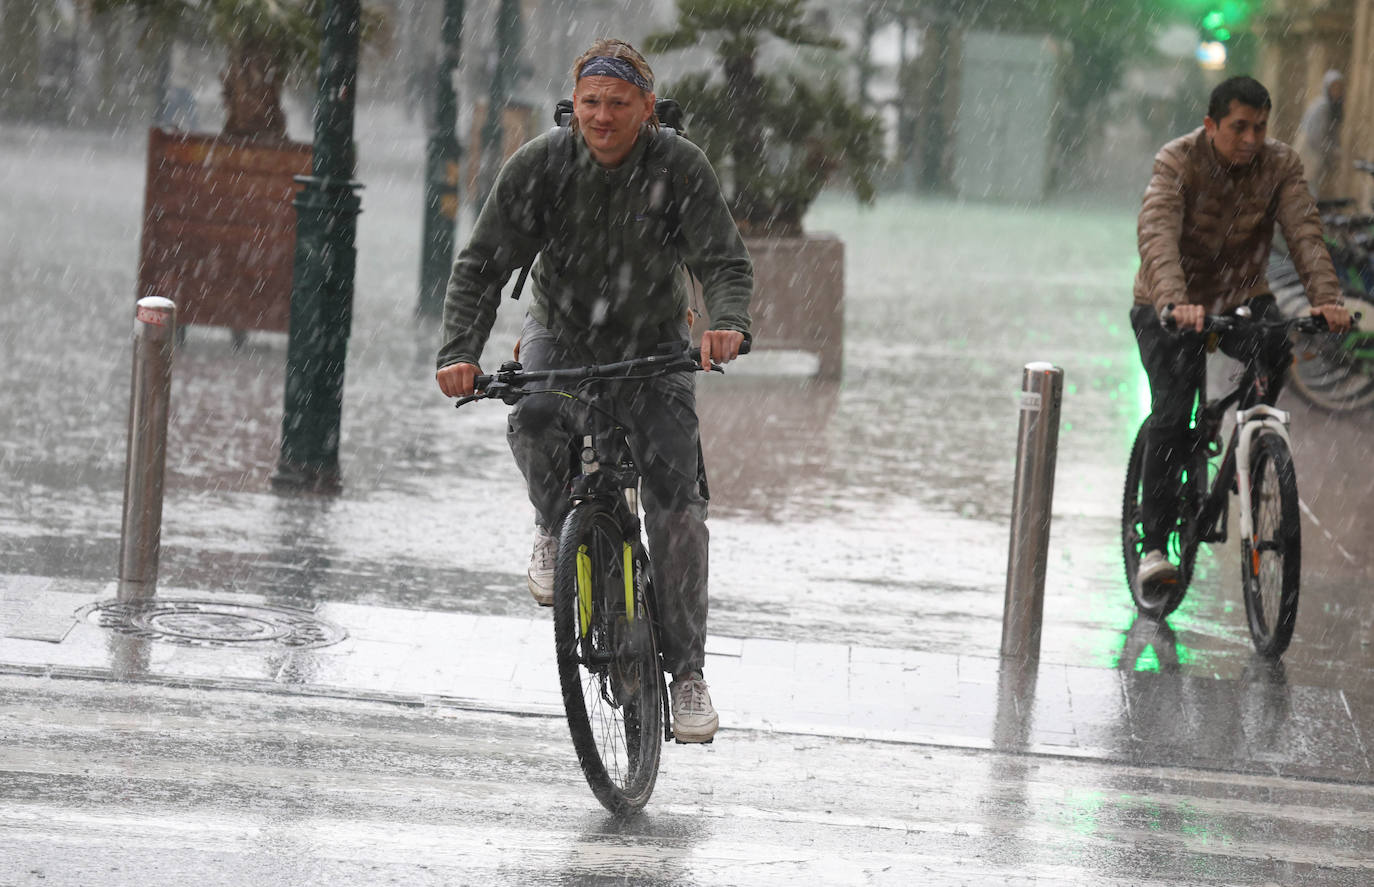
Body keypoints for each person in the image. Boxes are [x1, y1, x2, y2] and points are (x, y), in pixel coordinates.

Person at [434, 38, 753, 743]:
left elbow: (724, 261)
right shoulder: (542, 166)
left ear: (646, 108)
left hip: (654, 346)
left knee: (677, 509)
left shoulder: (679, 166)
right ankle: (553, 524)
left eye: (616, 103)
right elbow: (482, 265)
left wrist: (727, 323)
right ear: (573, 107)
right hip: (563, 331)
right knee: (536, 414)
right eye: (589, 103)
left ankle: (688, 672)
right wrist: (459, 350)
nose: (601, 116)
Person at [1131, 75, 1350, 587]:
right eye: (1238, 128)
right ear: (1211, 125)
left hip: (1242, 298)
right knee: (1171, 410)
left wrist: (1327, 300)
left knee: (1276, 344)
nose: (1251, 139)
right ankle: (1155, 546)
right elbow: (1157, 232)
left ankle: (1252, 445)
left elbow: (1304, 232)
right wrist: (1174, 299)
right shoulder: (1177, 160)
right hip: (1170, 303)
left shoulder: (1280, 165)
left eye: (1260, 127)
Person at [1293, 70, 1345, 199]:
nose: (1336, 91)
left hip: (1315, 153)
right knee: (1308, 191)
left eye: (1339, 87)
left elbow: (1332, 132)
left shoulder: (1333, 107)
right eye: (1333, 87)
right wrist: (1331, 150)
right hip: (1308, 152)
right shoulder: (1322, 107)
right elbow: (1316, 136)